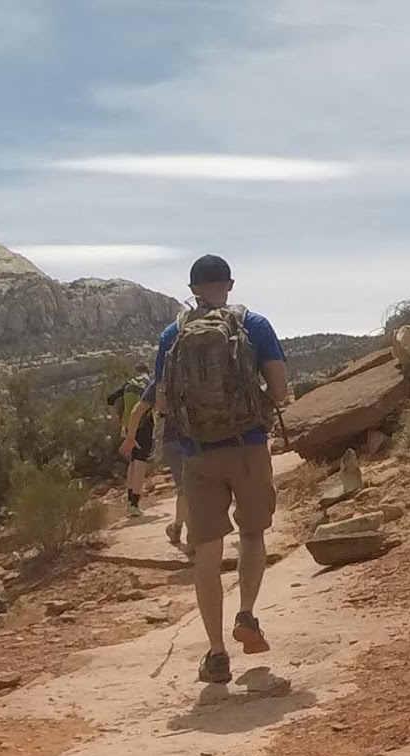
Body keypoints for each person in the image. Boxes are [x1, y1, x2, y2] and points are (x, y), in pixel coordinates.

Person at [153, 255, 288, 684]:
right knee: (252, 534)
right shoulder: (256, 326)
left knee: (207, 554)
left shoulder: (172, 335)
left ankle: (216, 653)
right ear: (229, 284)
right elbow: (281, 392)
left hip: (198, 455)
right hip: (247, 447)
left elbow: (161, 404)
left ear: (192, 288)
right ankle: (246, 614)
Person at [118, 378, 189, 549]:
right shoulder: (200, 368)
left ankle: (182, 530)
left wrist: (129, 437)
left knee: (185, 488)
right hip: (199, 436)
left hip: (172, 439)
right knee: (197, 487)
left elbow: (136, 411)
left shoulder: (162, 377)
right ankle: (185, 530)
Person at [106, 377, 154, 518]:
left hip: (129, 426)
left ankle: (130, 501)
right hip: (145, 425)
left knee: (133, 461)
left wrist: (115, 416)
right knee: (140, 461)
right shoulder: (148, 383)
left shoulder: (128, 383)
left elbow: (110, 399)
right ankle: (135, 504)